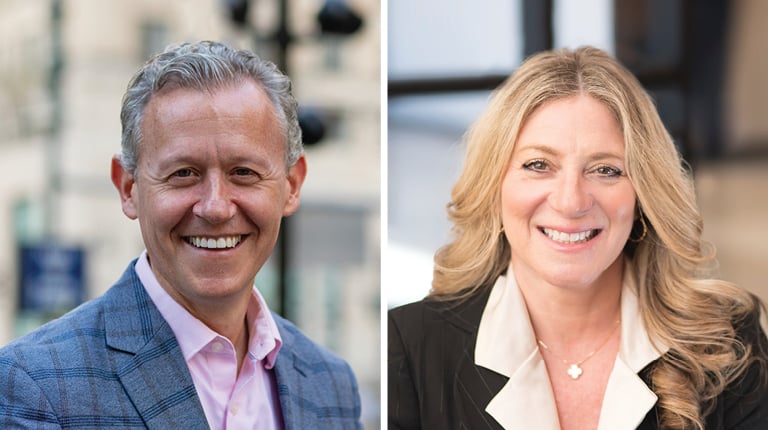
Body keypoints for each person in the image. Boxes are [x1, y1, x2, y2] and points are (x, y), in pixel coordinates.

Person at [388, 46, 768, 430]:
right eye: (538, 165)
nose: (571, 202)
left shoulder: (728, 343)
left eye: (606, 170)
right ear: (494, 186)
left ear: (642, 198)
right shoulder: (408, 347)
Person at [0, 41, 361, 429]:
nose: (216, 207)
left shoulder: (332, 385)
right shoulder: (35, 385)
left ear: (291, 186)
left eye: (244, 173)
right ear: (128, 188)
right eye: (183, 174)